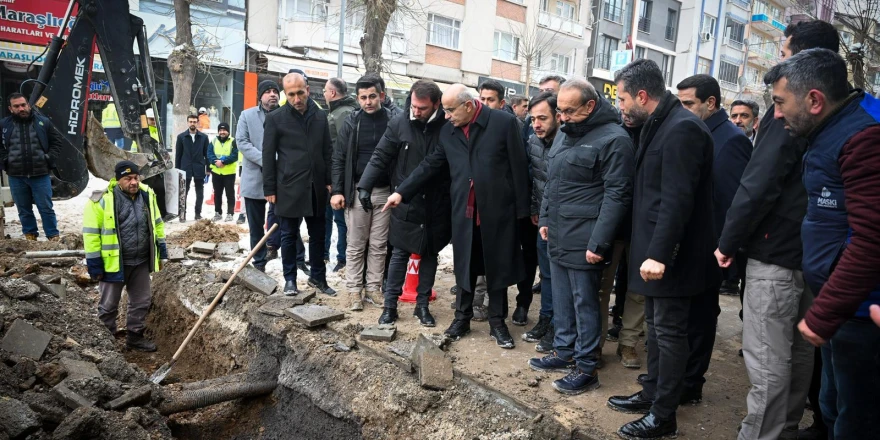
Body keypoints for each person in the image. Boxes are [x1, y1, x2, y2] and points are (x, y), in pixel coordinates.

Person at [714, 20, 840, 440]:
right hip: (811, 253)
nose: (779, 63)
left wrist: (729, 240)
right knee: (796, 354)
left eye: (784, 53)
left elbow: (760, 180)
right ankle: (783, 430)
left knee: (768, 358)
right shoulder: (841, 111)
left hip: (775, 253)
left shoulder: (791, 108)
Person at [765, 48, 880, 440]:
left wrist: (823, 314)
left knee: (857, 416)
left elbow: (871, 239)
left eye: (781, 103)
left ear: (814, 100)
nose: (777, 114)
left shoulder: (865, 136)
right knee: (831, 401)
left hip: (862, 311)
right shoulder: (832, 128)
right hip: (839, 301)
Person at [605, 59, 718, 440]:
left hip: (672, 258)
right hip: (654, 253)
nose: (619, 105)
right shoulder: (660, 123)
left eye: (622, 98)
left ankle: (663, 414)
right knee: (655, 329)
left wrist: (659, 254)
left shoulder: (682, 129)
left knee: (668, 334)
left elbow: (676, 200)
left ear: (641, 95)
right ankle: (652, 392)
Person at [383, 84, 530, 349]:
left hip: (497, 212)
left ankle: (498, 323)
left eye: (450, 110)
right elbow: (431, 164)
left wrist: (521, 213)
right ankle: (461, 318)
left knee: (496, 267)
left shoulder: (503, 123)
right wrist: (401, 192)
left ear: (469, 106)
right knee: (465, 266)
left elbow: (519, 168)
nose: (446, 116)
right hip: (464, 211)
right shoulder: (449, 132)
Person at [528, 79, 634, 395]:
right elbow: (553, 181)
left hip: (586, 235)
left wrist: (598, 242)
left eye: (569, 111)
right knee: (561, 296)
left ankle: (586, 367)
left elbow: (618, 195)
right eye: (559, 111)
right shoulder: (565, 133)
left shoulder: (615, 139)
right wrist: (545, 218)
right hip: (559, 231)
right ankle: (563, 352)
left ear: (590, 106)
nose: (562, 117)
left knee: (585, 302)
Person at [676, 74, 752, 403]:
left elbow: (730, 201)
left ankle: (691, 383)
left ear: (710, 103)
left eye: (688, 104)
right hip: (691, 243)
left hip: (710, 248)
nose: (682, 110)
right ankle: (679, 377)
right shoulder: (700, 131)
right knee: (685, 316)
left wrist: (721, 250)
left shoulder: (731, 140)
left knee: (702, 316)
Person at [358, 80, 451, 326]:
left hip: (435, 201)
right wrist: (365, 185)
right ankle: (390, 306)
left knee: (429, 253)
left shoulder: (447, 126)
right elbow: (381, 154)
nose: (415, 111)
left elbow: (432, 164)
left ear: (436, 104)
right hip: (403, 201)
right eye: (413, 104)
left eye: (422, 108)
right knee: (399, 253)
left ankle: (422, 307)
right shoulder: (400, 122)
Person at [331, 75, 400, 310]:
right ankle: (353, 290)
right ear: (357, 98)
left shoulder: (394, 120)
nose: (368, 102)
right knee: (356, 244)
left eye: (372, 96)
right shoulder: (351, 122)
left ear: (381, 95)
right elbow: (339, 158)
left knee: (380, 244)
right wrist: (338, 190)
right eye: (363, 97)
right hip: (357, 190)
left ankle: (373, 288)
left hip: (385, 192)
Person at [263, 72, 336, 296]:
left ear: (308, 90)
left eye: (300, 93)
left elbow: (327, 151)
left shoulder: (320, 116)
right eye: (291, 94)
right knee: (288, 235)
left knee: (318, 235)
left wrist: (330, 182)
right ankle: (290, 280)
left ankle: (318, 278)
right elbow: (268, 155)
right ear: (286, 94)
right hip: (288, 187)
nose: (296, 99)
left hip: (316, 188)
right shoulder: (276, 118)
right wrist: (270, 189)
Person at [83, 160, 167, 352]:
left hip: (140, 262)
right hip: (113, 263)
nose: (133, 182)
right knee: (108, 305)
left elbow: (158, 224)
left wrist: (161, 251)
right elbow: (90, 233)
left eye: (136, 178)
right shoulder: (102, 200)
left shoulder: (147, 195)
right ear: (118, 179)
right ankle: (107, 342)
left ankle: (135, 338)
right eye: (128, 178)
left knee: (141, 302)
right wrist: (94, 263)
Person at [476, 79, 537, 326]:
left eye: (490, 100)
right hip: (489, 206)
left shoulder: (512, 124)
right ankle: (480, 300)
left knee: (524, 256)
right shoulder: (474, 124)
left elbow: (519, 167)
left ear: (502, 103)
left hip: (518, 204)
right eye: (482, 99)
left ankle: (522, 304)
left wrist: (522, 207)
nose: (485, 104)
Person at [522, 91, 560, 353]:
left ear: (558, 116)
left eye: (543, 118)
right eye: (533, 118)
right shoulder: (533, 141)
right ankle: (545, 319)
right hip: (542, 220)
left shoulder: (568, 141)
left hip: (567, 222)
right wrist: (536, 209)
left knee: (562, 279)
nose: (537, 124)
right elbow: (536, 180)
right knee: (545, 274)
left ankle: (560, 326)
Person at [0, 93, 61, 241]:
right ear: (10, 108)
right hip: (16, 176)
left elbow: (57, 143)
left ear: (28, 104)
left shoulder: (43, 122)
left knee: (46, 208)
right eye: (16, 106)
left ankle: (53, 236)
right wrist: (5, 161)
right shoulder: (4, 125)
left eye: (23, 104)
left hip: (40, 174)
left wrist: (48, 158)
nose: (21, 108)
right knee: (23, 209)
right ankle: (30, 236)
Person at [324, 77, 356, 273]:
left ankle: (343, 258)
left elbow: (342, 150)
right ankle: (325, 255)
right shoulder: (336, 112)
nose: (325, 95)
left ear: (333, 93)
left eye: (326, 91)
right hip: (331, 178)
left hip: (339, 180)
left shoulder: (343, 114)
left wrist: (335, 182)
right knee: (328, 218)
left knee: (341, 221)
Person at [175, 114, 209, 222]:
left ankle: (198, 214)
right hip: (185, 168)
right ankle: (182, 214)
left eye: (194, 122)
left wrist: (208, 169)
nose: (192, 124)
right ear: (187, 122)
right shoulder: (181, 137)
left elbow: (207, 154)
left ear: (198, 122)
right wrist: (177, 170)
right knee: (184, 192)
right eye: (190, 121)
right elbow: (178, 155)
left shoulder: (204, 137)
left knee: (200, 192)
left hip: (199, 167)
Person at [207, 122, 239, 222]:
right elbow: (209, 153)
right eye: (220, 130)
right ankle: (218, 213)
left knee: (230, 194)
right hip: (216, 172)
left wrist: (223, 161)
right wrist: (215, 162)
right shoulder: (213, 141)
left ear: (228, 131)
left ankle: (230, 213)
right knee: (217, 193)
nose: (222, 132)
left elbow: (235, 155)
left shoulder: (233, 141)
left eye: (224, 130)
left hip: (229, 173)